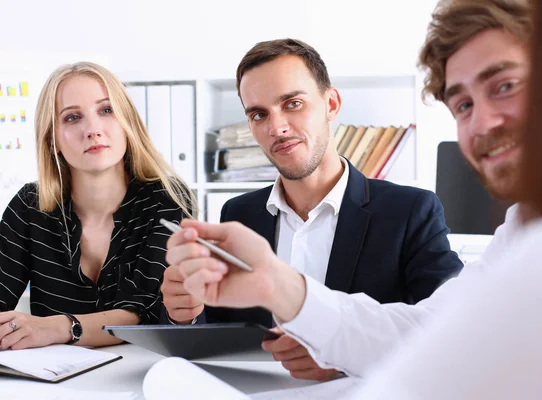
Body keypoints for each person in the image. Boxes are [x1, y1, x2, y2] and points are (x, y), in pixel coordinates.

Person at [167, 0, 542, 396]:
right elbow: (431, 330)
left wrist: (333, 358)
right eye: (462, 105)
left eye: (504, 86)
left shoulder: (422, 211)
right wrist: (272, 286)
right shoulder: (527, 227)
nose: (482, 123)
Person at [161, 39, 464, 380]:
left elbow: (454, 333)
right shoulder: (240, 213)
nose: (277, 128)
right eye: (259, 114)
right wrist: (186, 313)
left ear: (331, 104)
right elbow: (220, 333)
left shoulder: (410, 211)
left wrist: (348, 357)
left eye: (292, 103)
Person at [0, 62, 195, 350]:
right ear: (52, 140)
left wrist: (56, 326)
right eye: (72, 117)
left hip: (142, 377)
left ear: (126, 122)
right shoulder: (29, 206)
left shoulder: (167, 198)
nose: (93, 129)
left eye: (106, 110)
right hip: (54, 384)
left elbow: (144, 315)